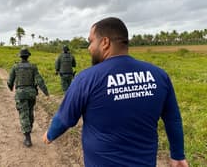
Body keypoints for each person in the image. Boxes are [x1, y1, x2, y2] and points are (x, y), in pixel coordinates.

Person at [43, 17, 189, 167]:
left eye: (91, 41)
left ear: (105, 42)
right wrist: (177, 154)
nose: (89, 48)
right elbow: (173, 119)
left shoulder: (86, 79)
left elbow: (65, 118)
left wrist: (50, 134)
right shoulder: (159, 75)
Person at [7, 48, 49, 147]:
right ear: (28, 56)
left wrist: (11, 88)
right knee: (30, 112)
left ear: (20, 57)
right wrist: (46, 92)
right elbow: (40, 80)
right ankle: (29, 127)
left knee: (23, 114)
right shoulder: (33, 67)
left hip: (21, 94)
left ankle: (27, 138)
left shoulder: (15, 67)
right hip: (31, 94)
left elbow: (10, 81)